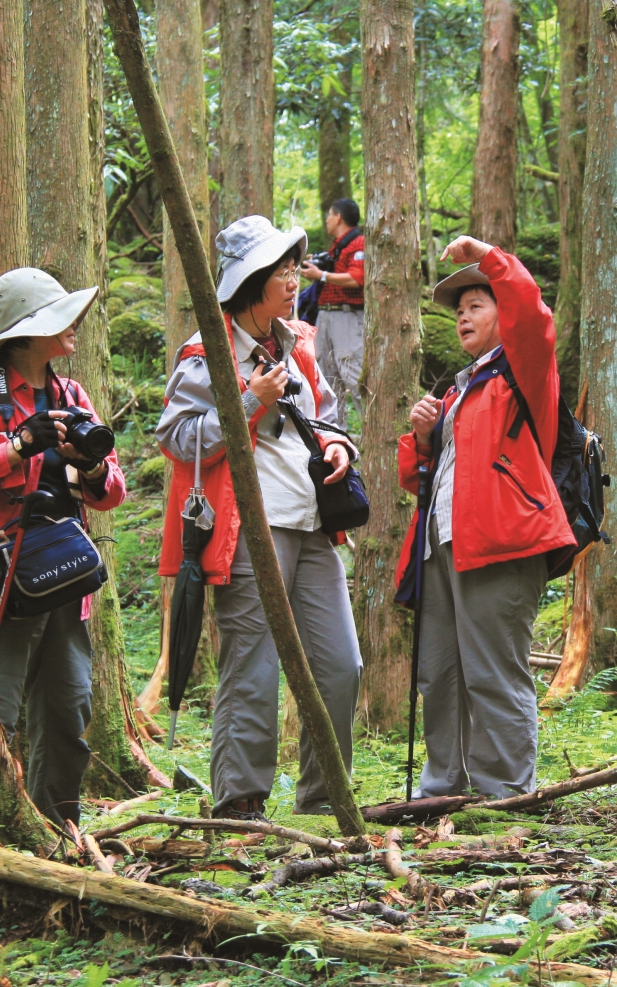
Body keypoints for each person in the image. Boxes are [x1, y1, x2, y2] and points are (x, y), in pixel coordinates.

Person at [156, 215, 362, 819]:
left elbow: (324, 416)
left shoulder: (297, 340)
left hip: (313, 525)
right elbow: (177, 438)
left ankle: (325, 802)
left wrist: (338, 446)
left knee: (340, 664)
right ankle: (240, 803)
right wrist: (251, 400)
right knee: (254, 666)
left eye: (295, 268)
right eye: (283, 271)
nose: (295, 279)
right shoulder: (208, 352)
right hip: (248, 530)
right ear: (252, 282)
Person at [394, 235, 576, 800]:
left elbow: (534, 315)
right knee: (440, 673)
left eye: (477, 305)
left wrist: (487, 254)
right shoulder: (458, 389)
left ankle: (504, 794)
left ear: (503, 311)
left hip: (502, 541)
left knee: (495, 670)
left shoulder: (523, 368)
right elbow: (425, 478)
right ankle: (444, 787)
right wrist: (423, 438)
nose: (463, 318)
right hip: (442, 544)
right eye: (459, 310)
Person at [0, 268, 127, 830]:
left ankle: (57, 828)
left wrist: (88, 463)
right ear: (28, 332)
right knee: (1, 705)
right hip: (8, 576)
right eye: (60, 318)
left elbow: (112, 491)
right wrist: (18, 446)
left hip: (65, 571)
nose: (74, 328)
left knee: (69, 707)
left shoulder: (71, 393)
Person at [300, 198, 365, 430]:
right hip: (326, 316)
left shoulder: (358, 243)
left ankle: (371, 435)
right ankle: (336, 437)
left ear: (338, 217)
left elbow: (357, 278)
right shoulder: (337, 246)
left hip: (347, 318)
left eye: (329, 215)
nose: (327, 220)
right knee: (327, 381)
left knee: (354, 377)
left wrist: (322, 275)